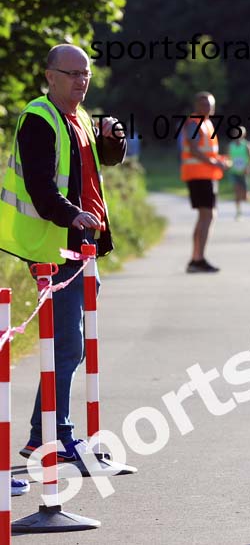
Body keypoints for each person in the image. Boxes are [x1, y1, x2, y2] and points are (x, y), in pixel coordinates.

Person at [0, 44, 126, 467]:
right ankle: (57, 437)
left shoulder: (82, 117)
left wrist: (112, 143)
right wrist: (73, 216)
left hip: (80, 245)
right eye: (71, 73)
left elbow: (94, 167)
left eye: (85, 74)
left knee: (72, 346)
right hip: (51, 247)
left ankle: (43, 437)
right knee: (69, 345)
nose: (80, 81)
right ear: (50, 75)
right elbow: (40, 187)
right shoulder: (40, 118)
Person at [180, 91, 230, 273]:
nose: (207, 107)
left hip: (205, 175)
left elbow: (207, 151)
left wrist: (220, 160)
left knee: (205, 216)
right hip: (199, 175)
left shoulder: (206, 124)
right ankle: (197, 259)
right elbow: (194, 150)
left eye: (210, 104)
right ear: (196, 106)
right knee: (207, 215)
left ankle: (197, 258)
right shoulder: (195, 123)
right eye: (204, 104)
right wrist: (215, 162)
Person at [227, 126, 250, 220]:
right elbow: (228, 158)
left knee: (246, 196)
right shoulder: (230, 146)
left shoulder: (247, 145)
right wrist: (228, 164)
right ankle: (238, 212)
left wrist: (249, 167)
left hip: (244, 173)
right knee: (237, 192)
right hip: (234, 172)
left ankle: (247, 208)